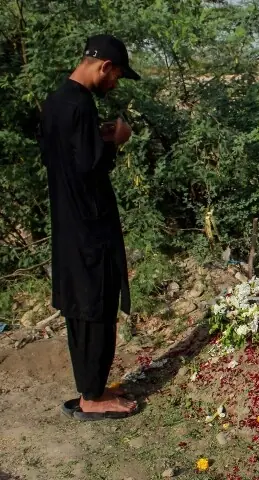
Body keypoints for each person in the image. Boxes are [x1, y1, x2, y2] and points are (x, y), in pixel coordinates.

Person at [39, 34, 140, 420]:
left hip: (67, 222)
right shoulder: (80, 104)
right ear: (104, 67)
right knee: (96, 302)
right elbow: (87, 170)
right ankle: (93, 398)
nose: (114, 84)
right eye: (116, 76)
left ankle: (89, 388)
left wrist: (97, 139)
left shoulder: (56, 101)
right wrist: (116, 142)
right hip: (89, 225)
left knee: (82, 306)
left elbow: (60, 156)